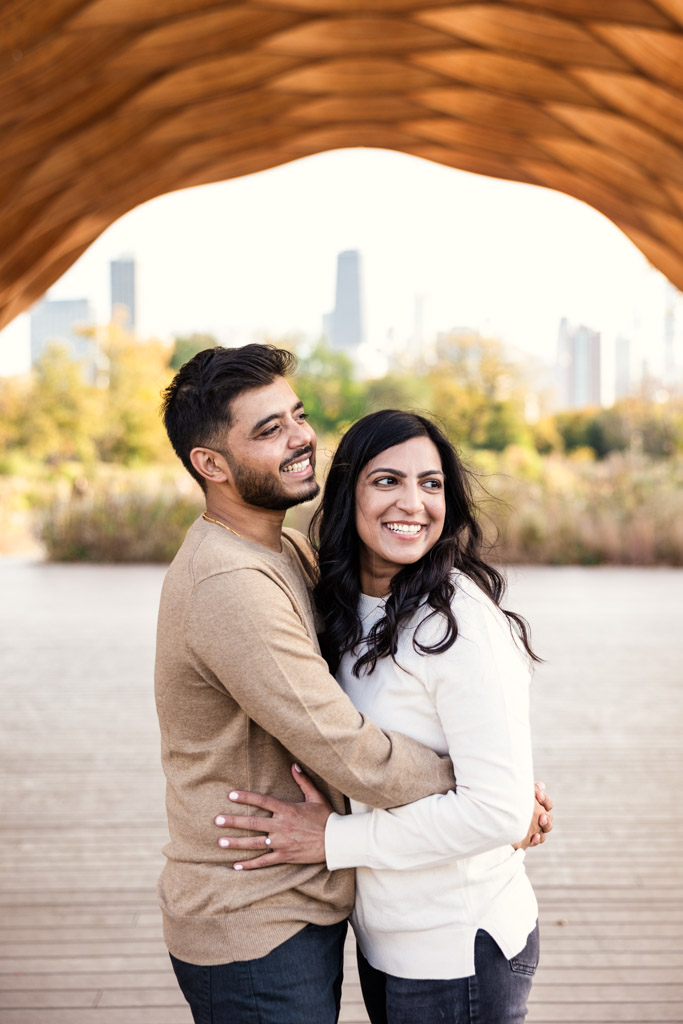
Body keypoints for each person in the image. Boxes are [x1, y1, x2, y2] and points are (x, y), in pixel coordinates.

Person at [156, 345, 466, 1024]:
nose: (300, 438)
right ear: (210, 464)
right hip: (252, 920)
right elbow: (345, 746)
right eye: (267, 431)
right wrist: (473, 787)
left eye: (295, 416)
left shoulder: (282, 549)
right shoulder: (230, 584)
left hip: (293, 898)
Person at [213, 408, 549, 1024]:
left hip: (458, 949)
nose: (413, 503)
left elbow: (497, 809)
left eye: (431, 483)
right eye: (387, 480)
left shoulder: (458, 622)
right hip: (387, 940)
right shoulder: (343, 606)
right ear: (349, 492)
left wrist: (331, 839)